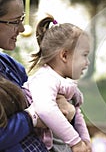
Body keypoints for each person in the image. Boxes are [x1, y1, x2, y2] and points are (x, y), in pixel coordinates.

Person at [23, 14, 92, 152]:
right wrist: (75, 142)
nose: (87, 62)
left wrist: (85, 140)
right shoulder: (44, 79)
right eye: (84, 55)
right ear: (64, 55)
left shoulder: (64, 83)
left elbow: (77, 113)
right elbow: (46, 109)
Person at [0, 0, 49, 151]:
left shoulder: (12, 67)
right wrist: (31, 118)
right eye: (15, 22)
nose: (21, 29)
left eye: (22, 20)